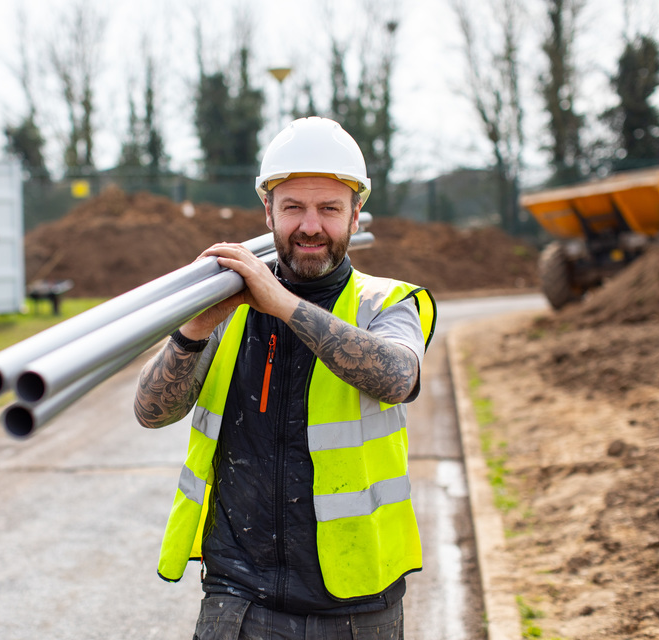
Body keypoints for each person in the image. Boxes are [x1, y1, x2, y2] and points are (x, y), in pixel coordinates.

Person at [134, 116, 436, 639]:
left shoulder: (388, 301)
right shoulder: (226, 304)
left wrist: (284, 305)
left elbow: (396, 376)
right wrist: (198, 324)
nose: (311, 226)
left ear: (356, 214)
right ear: (268, 211)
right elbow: (151, 411)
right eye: (293, 207)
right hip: (239, 600)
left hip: (357, 606)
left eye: (329, 209)